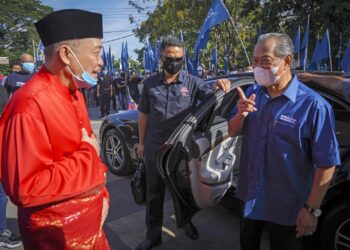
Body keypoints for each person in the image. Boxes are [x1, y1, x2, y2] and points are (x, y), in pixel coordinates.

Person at [0, 9, 110, 249]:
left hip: (90, 228)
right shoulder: (28, 104)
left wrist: (101, 199)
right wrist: (88, 153)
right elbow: (25, 188)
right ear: (66, 54)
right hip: (56, 239)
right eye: (97, 52)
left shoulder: (74, 92)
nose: (101, 61)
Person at [228, 33, 340, 250]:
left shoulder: (314, 106)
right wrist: (239, 115)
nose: (258, 67)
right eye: (255, 61)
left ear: (287, 60)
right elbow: (233, 131)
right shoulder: (252, 93)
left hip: (288, 207)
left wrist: (311, 209)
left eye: (265, 61)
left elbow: (327, 162)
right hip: (250, 197)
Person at [136, 36, 230, 250]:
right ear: (161, 57)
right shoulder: (150, 84)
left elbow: (213, 101)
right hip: (154, 149)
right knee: (154, 195)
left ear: (183, 59)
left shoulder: (193, 82)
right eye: (170, 58)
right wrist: (141, 144)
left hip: (180, 151)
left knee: (184, 192)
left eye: (179, 58)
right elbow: (143, 115)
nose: (174, 62)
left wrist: (218, 84)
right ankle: (153, 236)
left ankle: (185, 223)